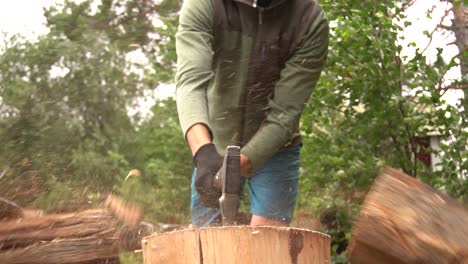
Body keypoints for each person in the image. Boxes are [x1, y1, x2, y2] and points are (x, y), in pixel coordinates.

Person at [175, 0, 329, 227]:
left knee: (269, 243)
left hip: (276, 148)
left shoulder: (309, 19)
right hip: (213, 147)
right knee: (207, 246)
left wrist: (237, 167)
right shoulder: (205, 3)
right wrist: (203, 152)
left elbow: (284, 114)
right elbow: (190, 84)